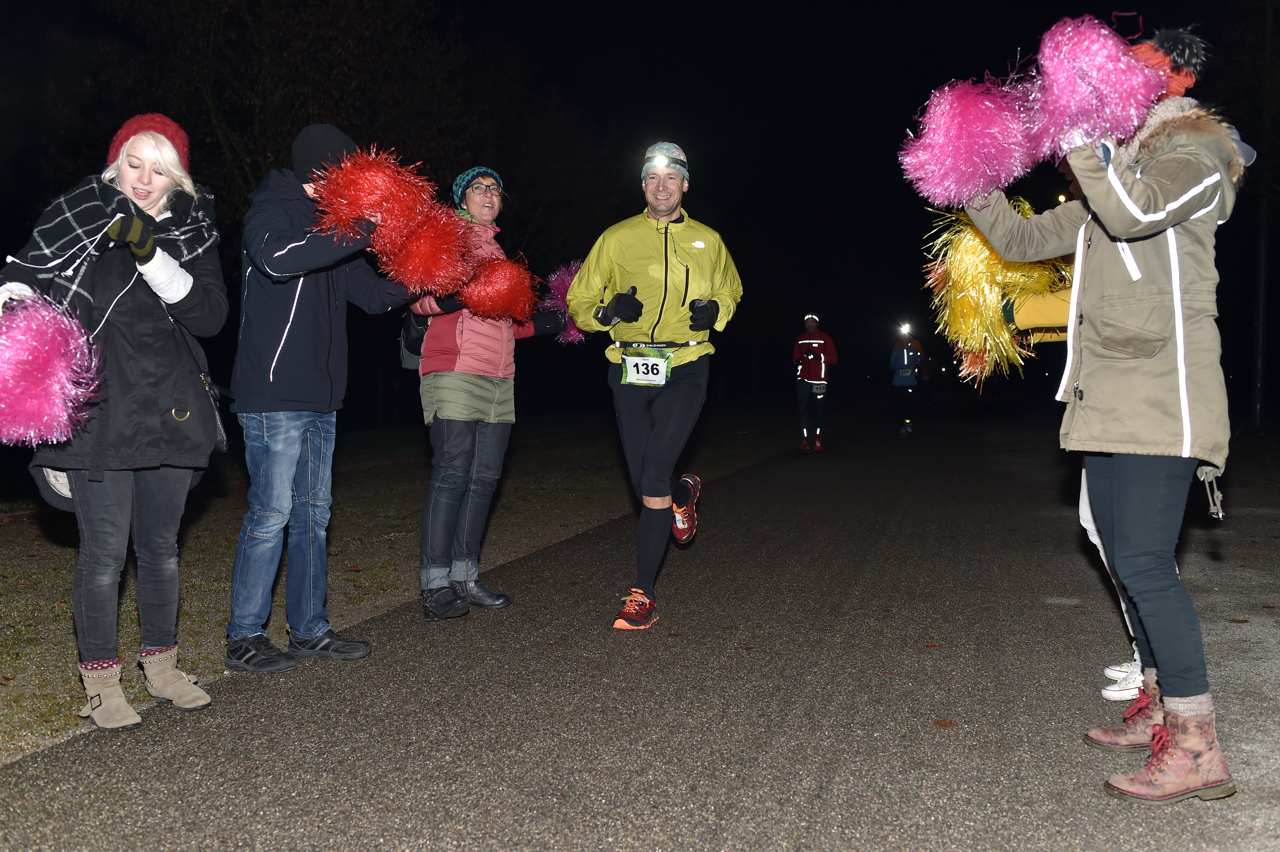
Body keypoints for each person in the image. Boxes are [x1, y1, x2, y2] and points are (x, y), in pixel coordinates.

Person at [965, 29, 1247, 804]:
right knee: (1128, 560)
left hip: (1167, 401)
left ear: (1180, 79)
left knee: (1150, 567)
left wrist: (1084, 138)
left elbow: (1130, 216)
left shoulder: (1198, 158)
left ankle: (1199, 748)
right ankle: (1160, 705)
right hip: (1110, 400)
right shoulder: (1122, 174)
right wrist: (973, 180)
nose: (1121, 78)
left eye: (1141, 67)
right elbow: (1023, 240)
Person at [0, 114, 226, 729]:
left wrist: (149, 251)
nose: (145, 179)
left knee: (160, 551)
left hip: (171, 411)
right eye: (134, 163)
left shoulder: (195, 231)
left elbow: (209, 316)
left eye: (160, 168)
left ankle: (163, 667)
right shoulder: (75, 219)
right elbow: (22, 279)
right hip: (99, 414)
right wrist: (17, 315)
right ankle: (102, 684)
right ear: (113, 164)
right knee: (103, 553)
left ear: (177, 177)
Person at [225, 124, 412, 672]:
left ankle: (309, 630)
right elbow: (278, 259)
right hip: (275, 394)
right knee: (271, 513)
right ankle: (244, 636)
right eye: (350, 171)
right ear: (324, 169)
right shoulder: (271, 209)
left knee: (313, 515)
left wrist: (427, 273)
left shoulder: (335, 228)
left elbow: (375, 298)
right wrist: (360, 228)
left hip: (324, 398)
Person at [567, 142, 742, 630]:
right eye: (651, 178)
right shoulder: (617, 238)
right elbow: (579, 300)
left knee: (654, 469)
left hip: (686, 362)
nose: (660, 187)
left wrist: (716, 312)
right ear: (642, 185)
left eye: (671, 178)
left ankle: (643, 594)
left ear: (685, 185)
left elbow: (731, 290)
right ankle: (681, 496)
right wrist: (607, 312)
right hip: (630, 364)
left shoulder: (709, 240)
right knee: (648, 477)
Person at [410, 167, 565, 621]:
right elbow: (417, 299)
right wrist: (455, 298)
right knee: (453, 473)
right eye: (478, 187)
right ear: (461, 198)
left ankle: (465, 576)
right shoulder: (447, 237)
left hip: (501, 376)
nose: (489, 193)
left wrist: (562, 320)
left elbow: (510, 325)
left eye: (495, 188)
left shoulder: (498, 252)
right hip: (454, 369)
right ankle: (435, 583)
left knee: (484, 479)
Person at [793, 313, 837, 452]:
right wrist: (797, 361)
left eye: (812, 322)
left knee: (818, 411)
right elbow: (795, 355)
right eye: (807, 322)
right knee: (802, 410)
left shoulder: (825, 338)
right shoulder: (800, 339)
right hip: (803, 379)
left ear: (817, 324)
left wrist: (819, 356)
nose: (810, 324)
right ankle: (805, 441)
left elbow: (834, 358)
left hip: (819, 381)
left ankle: (818, 438)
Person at [889, 331, 922, 436]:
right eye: (903, 337)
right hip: (898, 383)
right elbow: (891, 367)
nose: (905, 339)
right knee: (899, 405)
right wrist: (896, 361)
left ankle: (908, 424)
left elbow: (919, 361)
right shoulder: (895, 351)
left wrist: (916, 363)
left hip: (910, 382)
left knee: (909, 404)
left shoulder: (914, 350)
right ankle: (902, 425)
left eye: (907, 337)